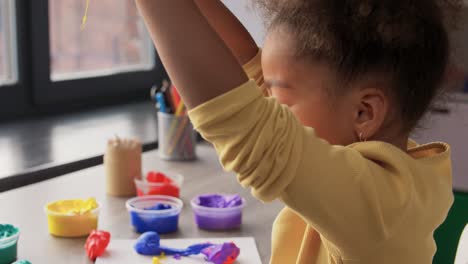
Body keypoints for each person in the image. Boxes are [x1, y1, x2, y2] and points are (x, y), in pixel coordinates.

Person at [134, 0, 459, 263]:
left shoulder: (384, 208)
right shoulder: (387, 173)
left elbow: (249, 128)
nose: (267, 103)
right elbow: (248, 69)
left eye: (280, 98)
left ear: (364, 112)